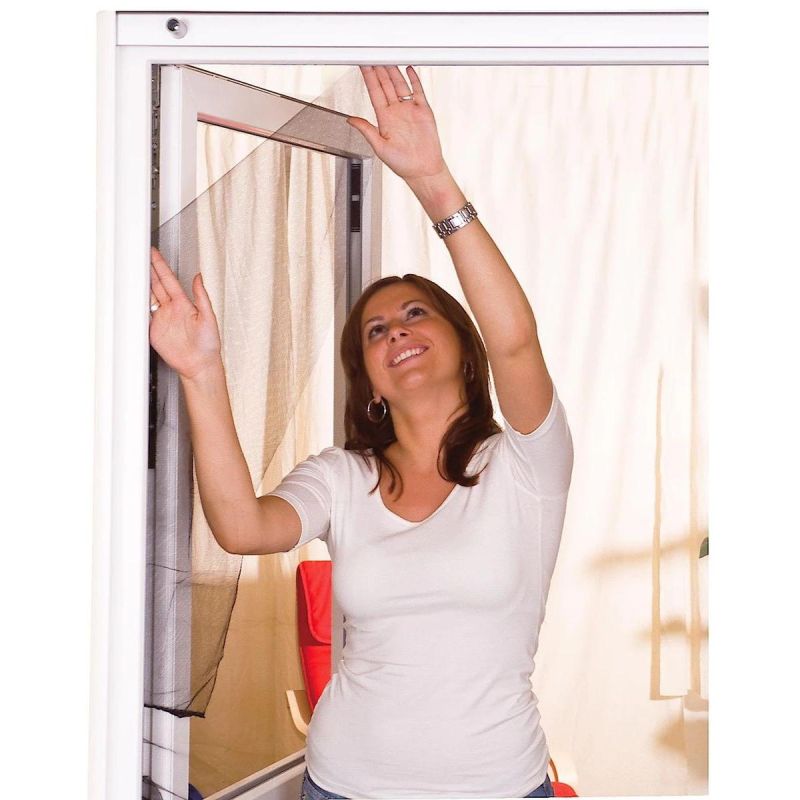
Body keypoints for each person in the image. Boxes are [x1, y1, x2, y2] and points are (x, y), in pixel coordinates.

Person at [149, 64, 572, 799]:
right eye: (376, 331)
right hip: (344, 784)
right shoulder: (343, 478)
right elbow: (243, 527)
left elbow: (517, 343)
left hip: (500, 784)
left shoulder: (527, 464)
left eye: (416, 314)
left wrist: (433, 183)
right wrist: (202, 371)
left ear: (464, 345)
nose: (396, 332)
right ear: (370, 383)